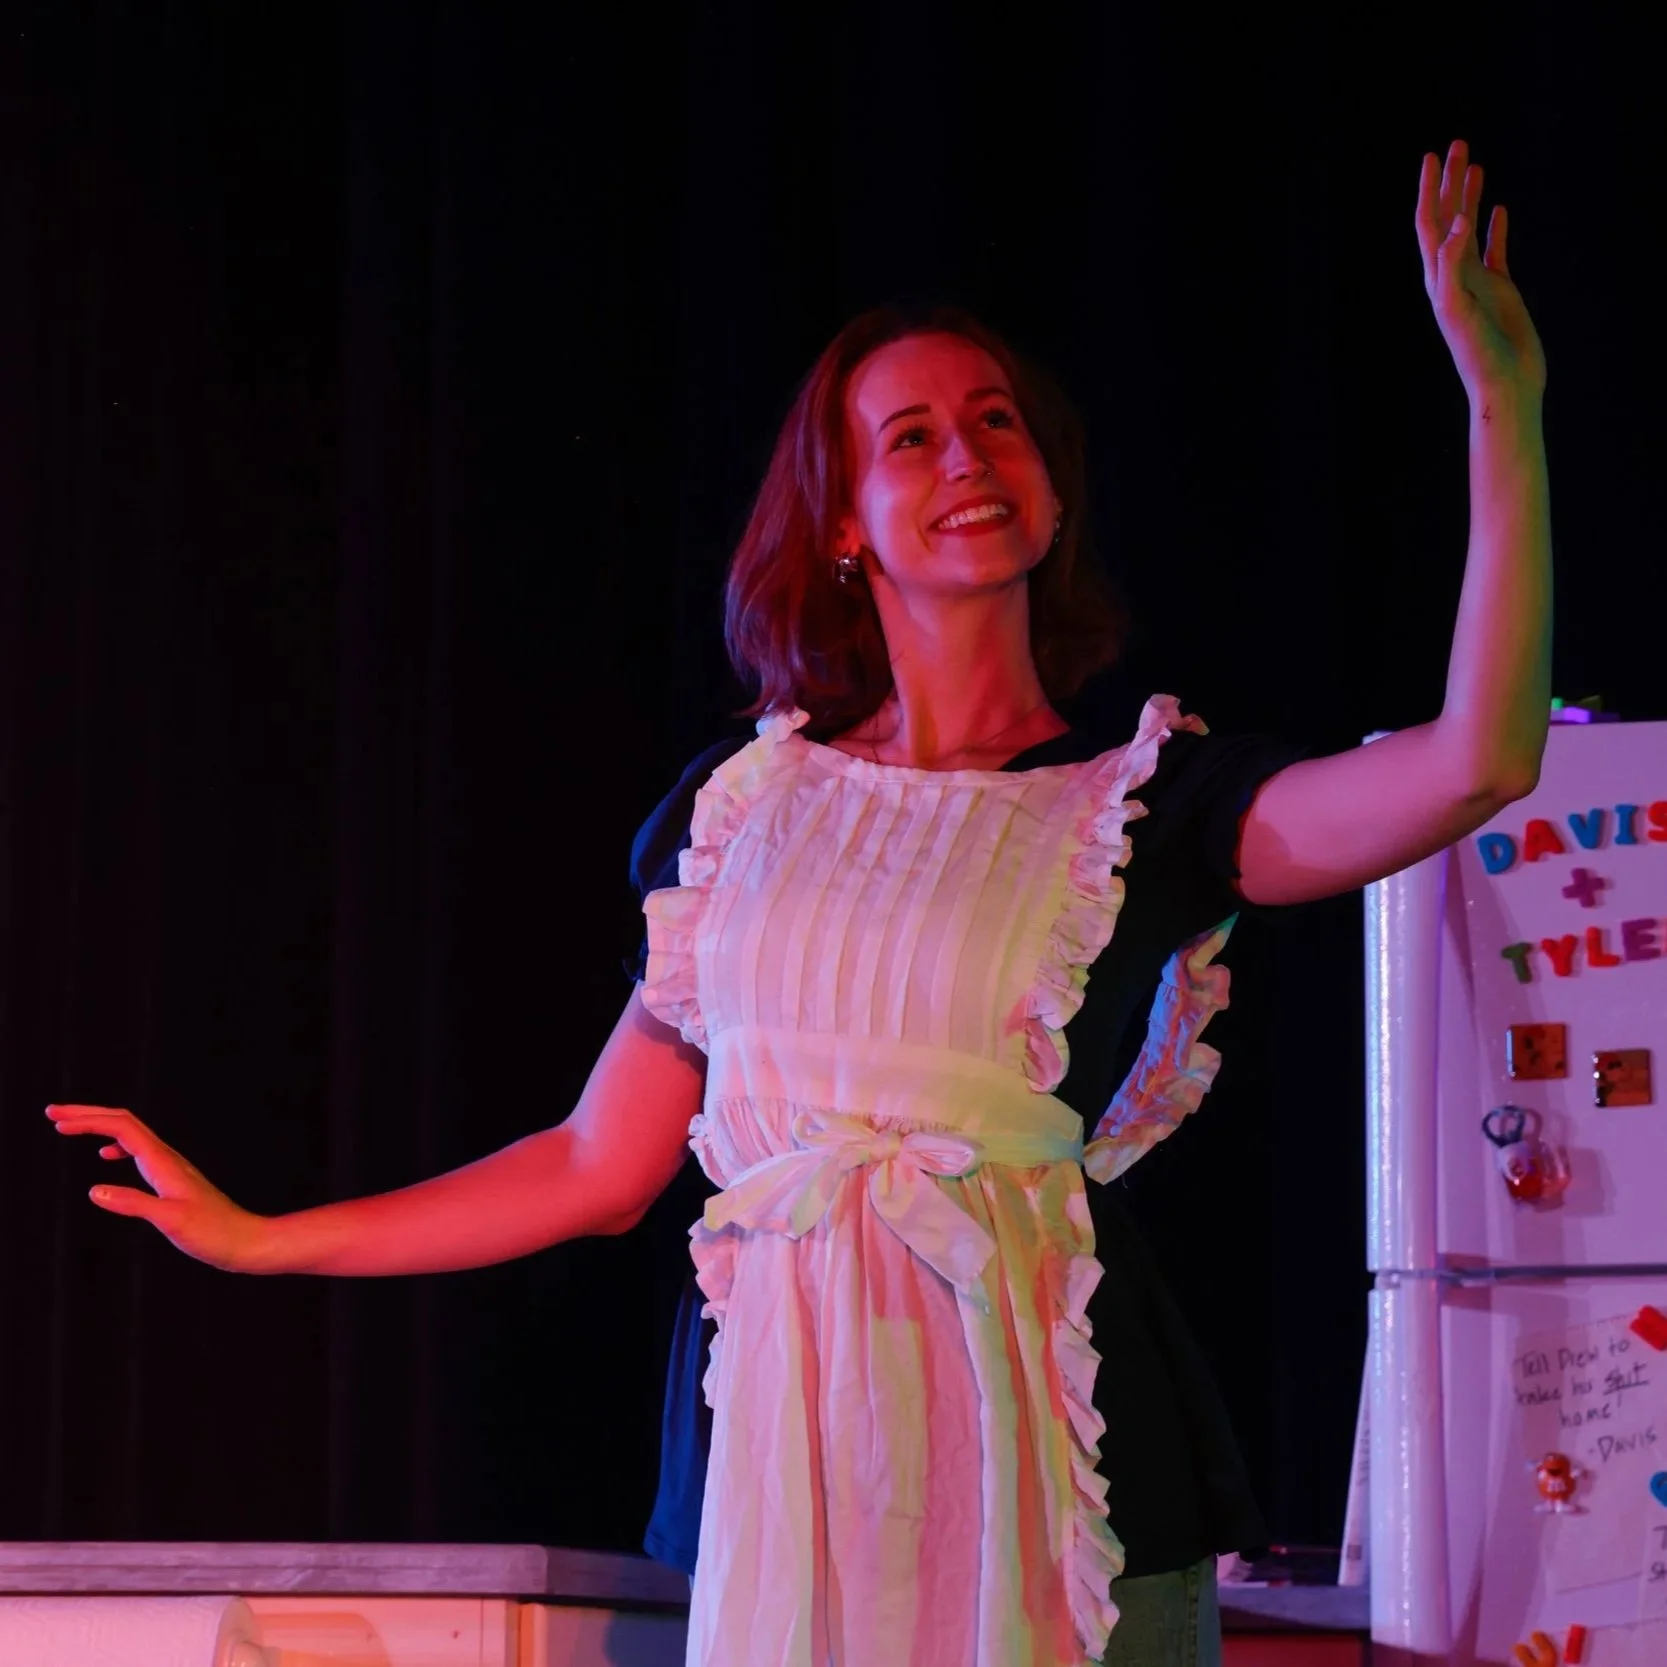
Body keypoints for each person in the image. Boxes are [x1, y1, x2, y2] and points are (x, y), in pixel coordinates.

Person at [49, 141, 1549, 1666]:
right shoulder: (738, 809)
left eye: (997, 422)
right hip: (793, 1461)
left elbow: (1477, 762)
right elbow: (594, 1162)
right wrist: (264, 1238)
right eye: (912, 436)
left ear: (1049, 491)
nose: (967, 457)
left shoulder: (1140, 804)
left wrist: (1502, 412)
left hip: (1065, 1469)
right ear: (842, 521)